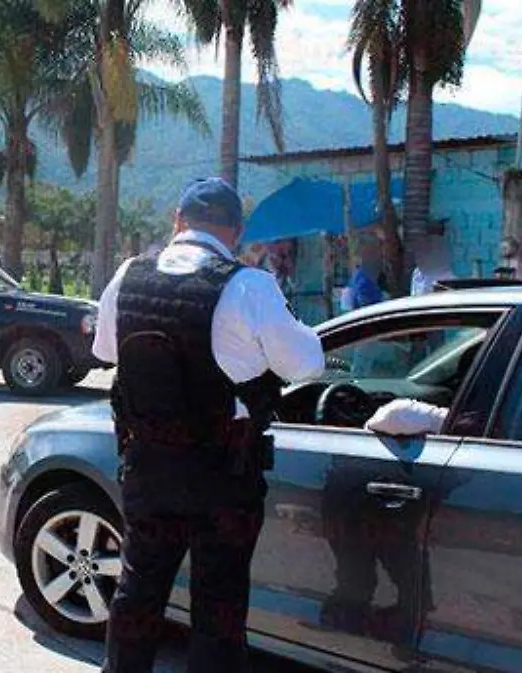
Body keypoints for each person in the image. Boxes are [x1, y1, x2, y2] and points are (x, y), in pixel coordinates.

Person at [92, 177, 326, 673]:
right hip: (223, 475)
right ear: (236, 233)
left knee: (138, 592)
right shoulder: (249, 286)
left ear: (177, 221)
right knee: (218, 608)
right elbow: (307, 364)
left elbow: (106, 351)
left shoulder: (128, 275)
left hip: (147, 467)